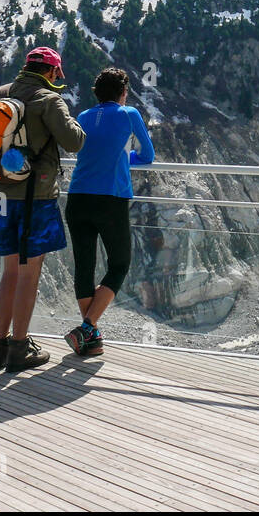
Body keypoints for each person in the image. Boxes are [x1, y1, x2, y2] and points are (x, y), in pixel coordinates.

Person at [0, 46, 85, 373]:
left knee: (9, 270)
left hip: (0, 193)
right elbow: (74, 141)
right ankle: (19, 347)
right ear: (52, 72)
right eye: (59, 73)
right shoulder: (49, 99)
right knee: (30, 273)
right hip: (36, 197)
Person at [63, 67, 155, 357]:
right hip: (110, 199)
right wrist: (126, 156)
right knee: (119, 264)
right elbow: (148, 156)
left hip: (77, 197)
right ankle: (88, 326)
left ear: (97, 93)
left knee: (84, 267)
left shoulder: (84, 116)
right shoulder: (129, 114)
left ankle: (89, 338)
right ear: (124, 92)